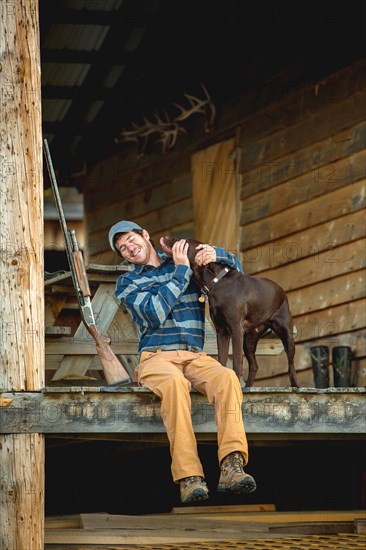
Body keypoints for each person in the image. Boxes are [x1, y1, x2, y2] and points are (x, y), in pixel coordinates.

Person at [108, 220, 257, 504]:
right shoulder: (128, 282)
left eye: (130, 239)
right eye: (122, 248)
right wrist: (180, 272)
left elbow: (237, 273)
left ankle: (232, 466)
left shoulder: (183, 259)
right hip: (156, 358)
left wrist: (215, 254)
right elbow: (154, 313)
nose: (129, 248)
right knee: (175, 384)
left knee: (227, 378)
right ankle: (189, 477)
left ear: (145, 235)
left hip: (195, 356)